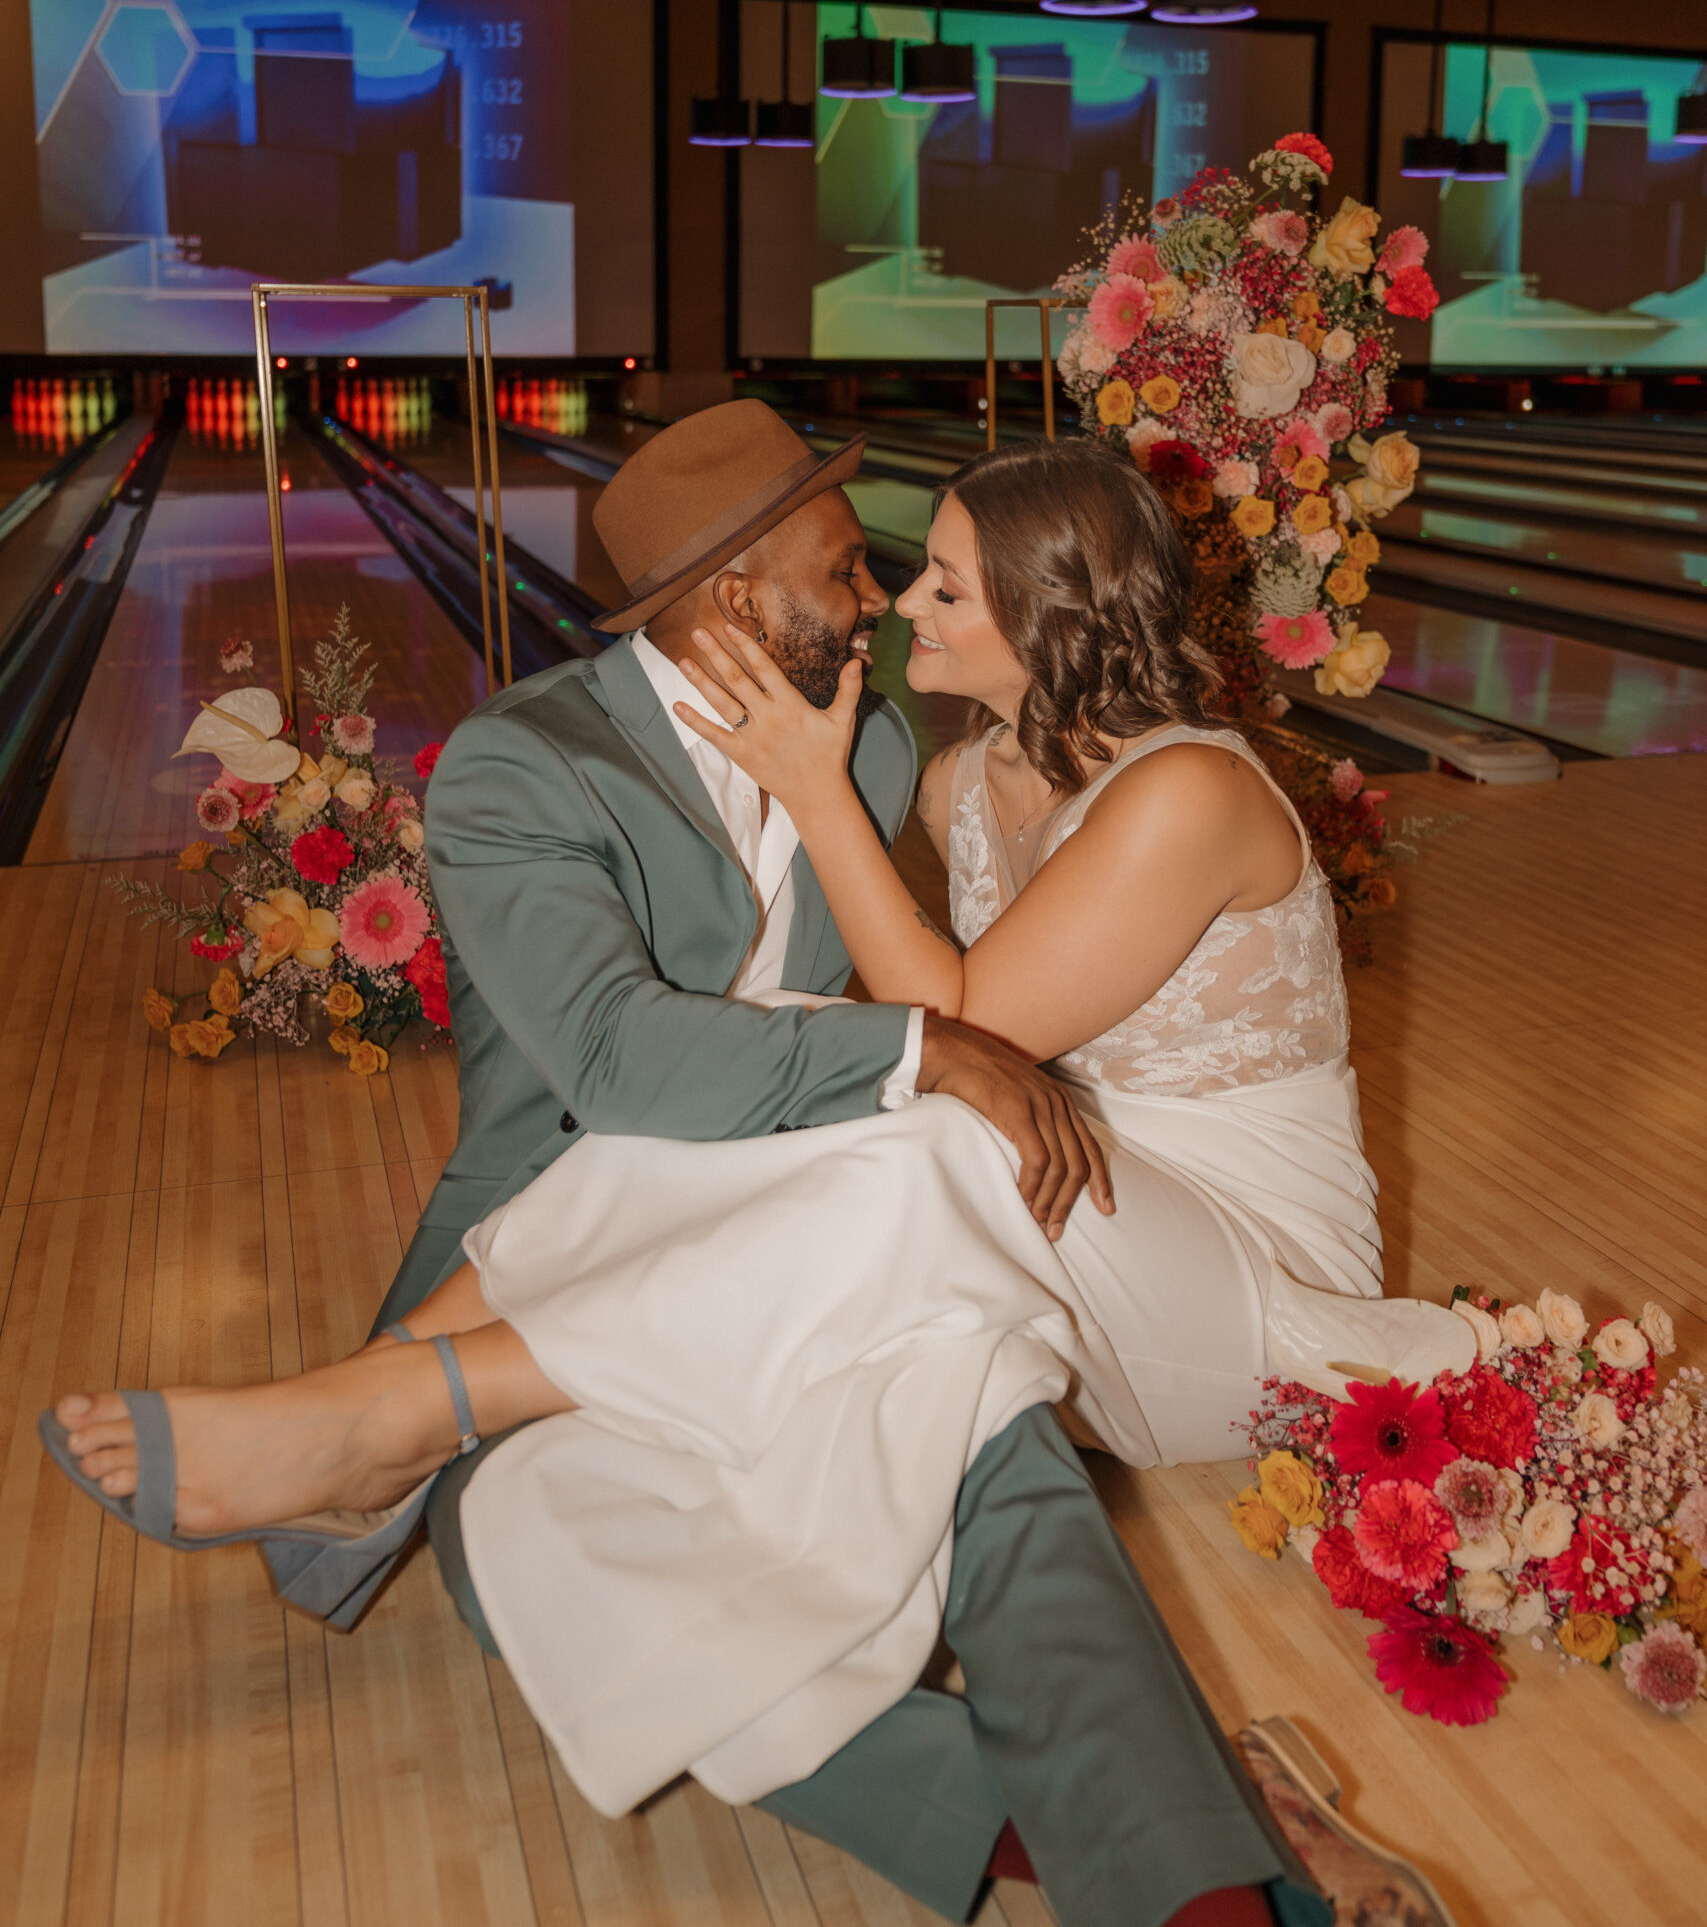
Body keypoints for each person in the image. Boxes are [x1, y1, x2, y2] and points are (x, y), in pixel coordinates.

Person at [43, 403, 1466, 1927]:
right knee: (528, 1531)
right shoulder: (536, 768)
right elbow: (628, 1065)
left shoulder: (882, 745)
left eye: (927, 582)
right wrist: (912, 1037)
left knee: (936, 1237)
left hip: (1106, 1232)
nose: (883, 597)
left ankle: (414, 1393)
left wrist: (862, 915)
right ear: (734, 598)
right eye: (858, 568)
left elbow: (943, 1022)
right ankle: (1131, 1836)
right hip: (650, 1231)